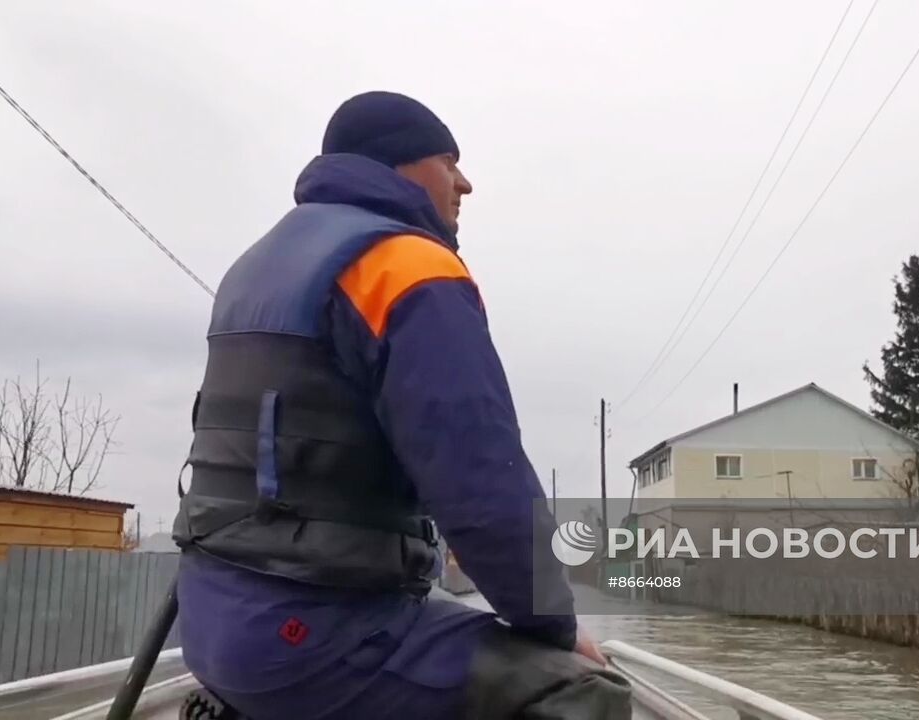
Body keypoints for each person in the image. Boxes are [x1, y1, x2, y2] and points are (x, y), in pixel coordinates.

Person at [171, 91, 631, 719]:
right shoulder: (405, 266)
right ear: (403, 166)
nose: (465, 183)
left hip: (211, 624)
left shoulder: (253, 269)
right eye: (450, 160)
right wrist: (557, 626)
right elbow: (482, 486)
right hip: (313, 637)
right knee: (582, 694)